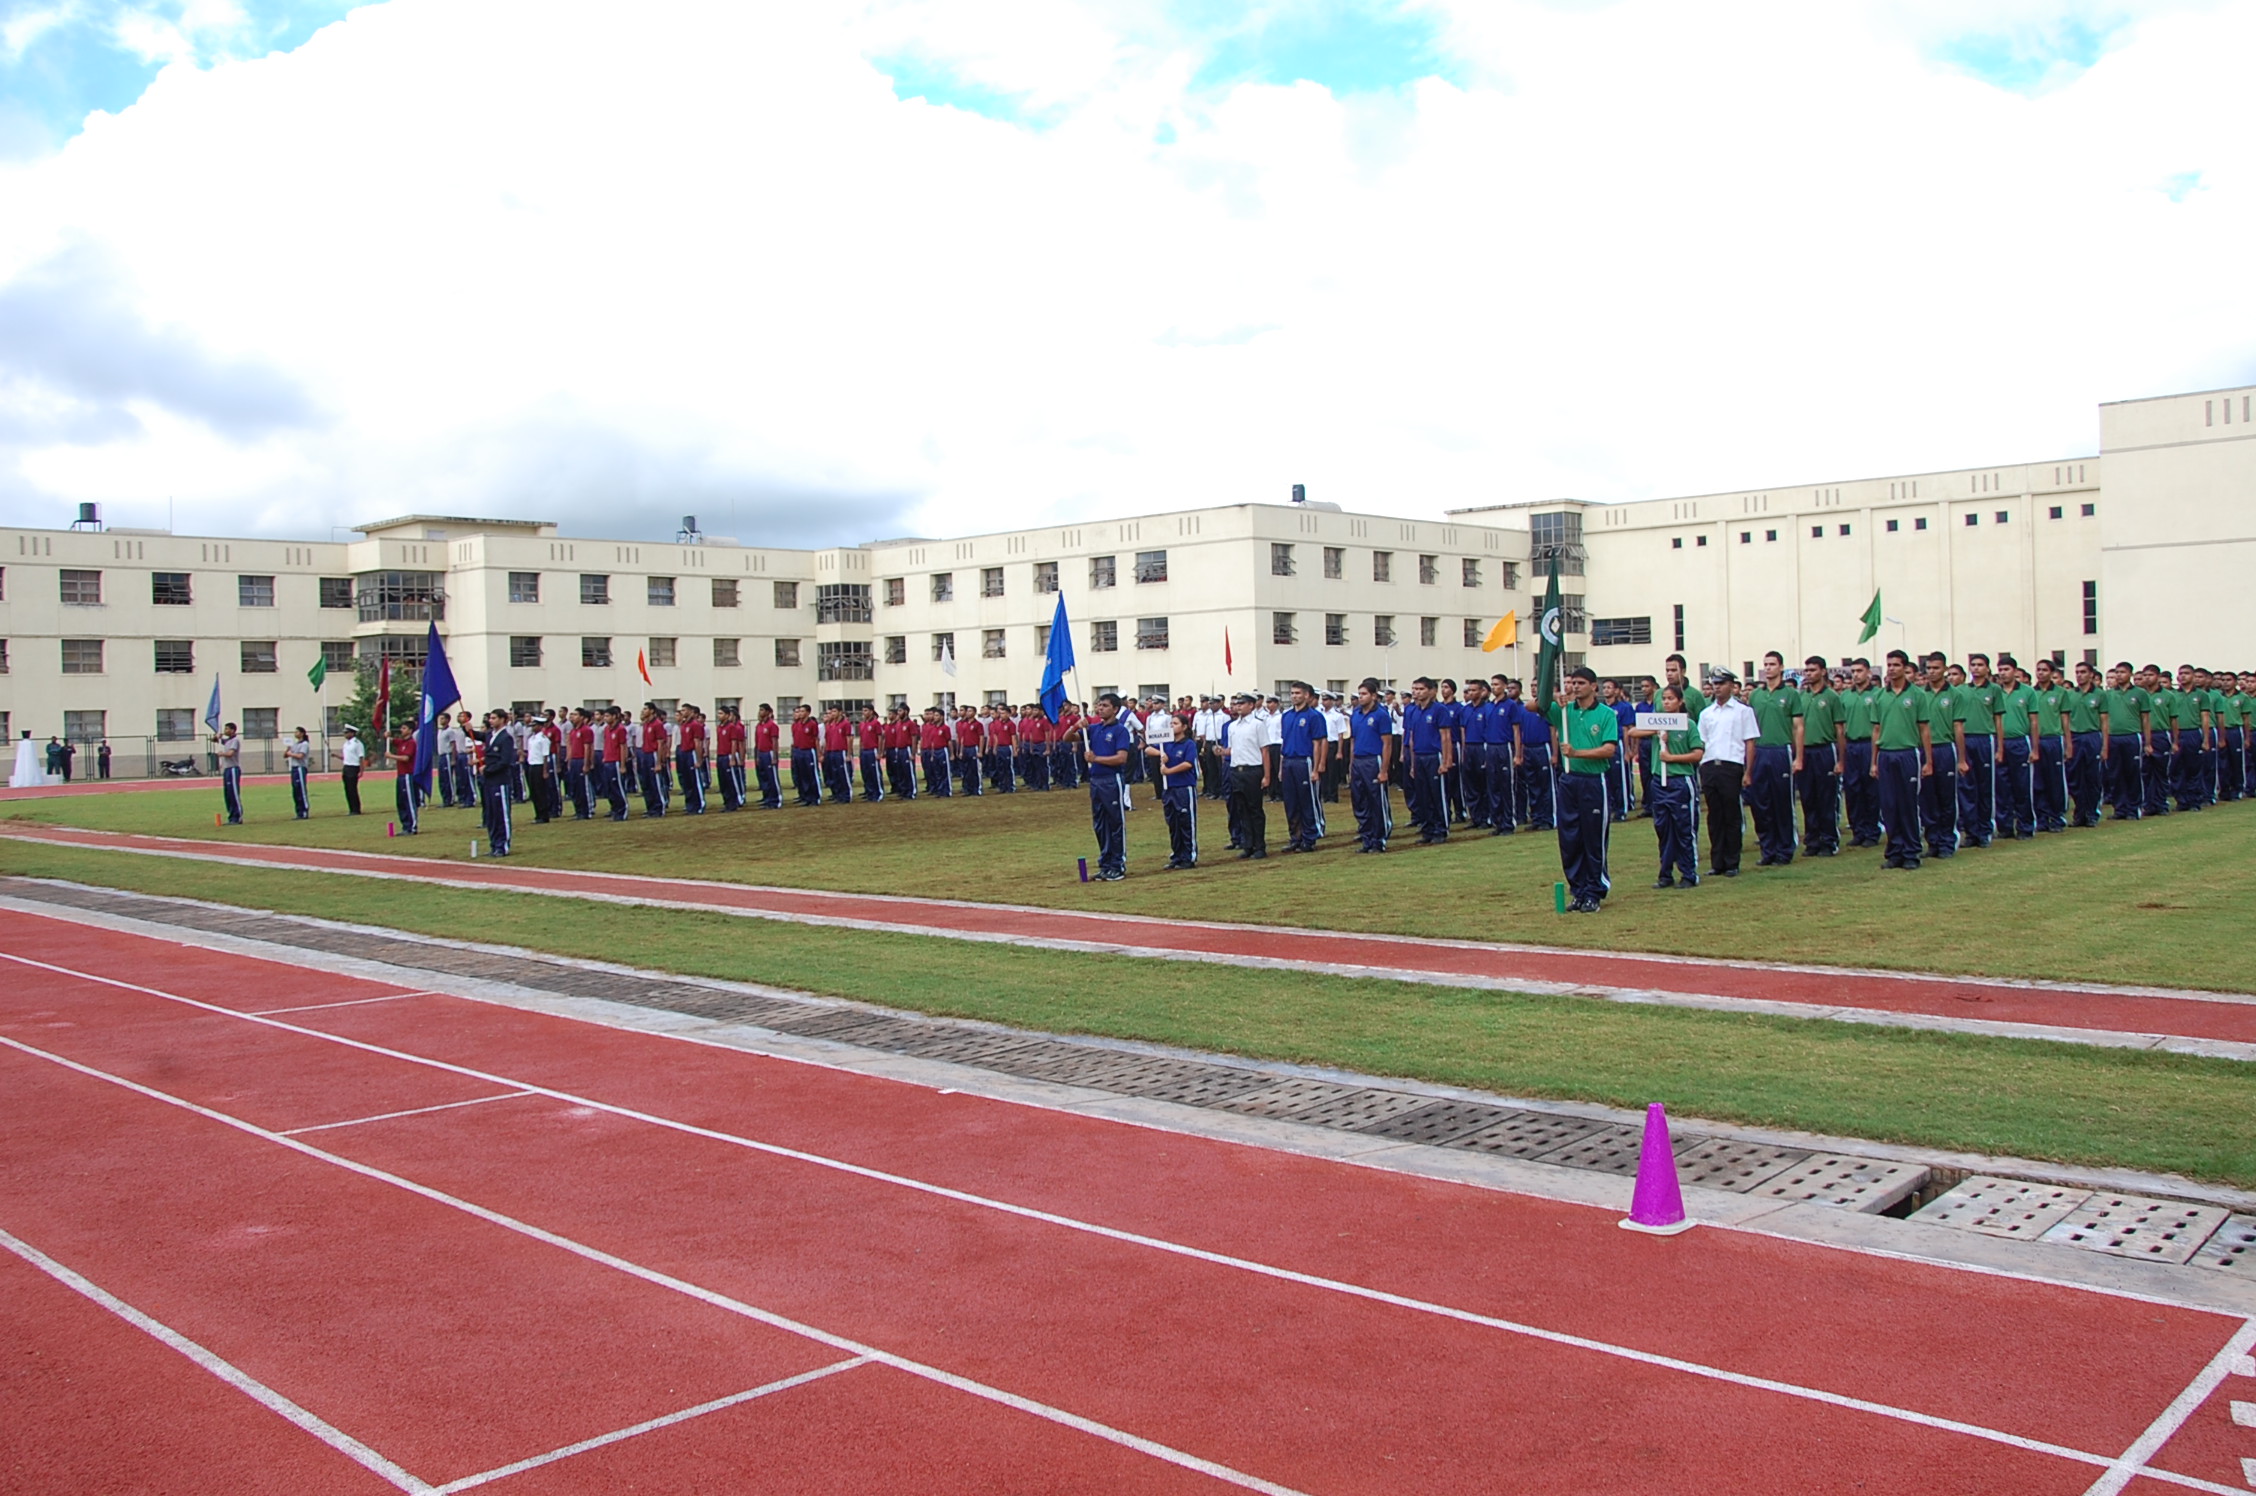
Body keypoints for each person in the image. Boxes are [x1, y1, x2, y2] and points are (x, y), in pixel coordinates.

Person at [1551, 666, 1619, 913]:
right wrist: (1553, 697)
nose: (1576, 687)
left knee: (1593, 838)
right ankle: (1578, 890)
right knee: (1570, 838)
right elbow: (1533, 707)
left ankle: (1594, 891)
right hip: (1569, 780)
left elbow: (1609, 749)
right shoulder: (1565, 711)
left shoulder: (1606, 714)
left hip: (1593, 781)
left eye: (1581, 683)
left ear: (1593, 687)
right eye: (1573, 683)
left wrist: (1577, 753)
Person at [1632, 683, 1702, 887]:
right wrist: (1656, 730)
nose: (1667, 702)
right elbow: (1632, 732)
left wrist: (1672, 758)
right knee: (1663, 829)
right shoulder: (1657, 722)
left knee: (1684, 829)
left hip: (1680, 781)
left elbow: (1697, 753)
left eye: (1671, 699)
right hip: (1659, 782)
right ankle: (1665, 874)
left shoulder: (1688, 724)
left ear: (1680, 701)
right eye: (1664, 699)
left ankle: (1689, 873)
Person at [1871, 650, 1933, 870]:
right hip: (1886, 754)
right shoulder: (1880, 696)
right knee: (1889, 805)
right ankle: (1894, 852)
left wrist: (1928, 761)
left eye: (1896, 665)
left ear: (1905, 668)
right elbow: (1876, 730)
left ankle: (1911, 851)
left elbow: (1924, 729)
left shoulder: (1917, 695)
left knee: (1908, 804)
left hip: (1908, 753)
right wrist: (1874, 761)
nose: (1891, 669)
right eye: (1889, 665)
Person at [1694, 672, 1757, 877]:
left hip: (1731, 765)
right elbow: (1703, 741)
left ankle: (1732, 862)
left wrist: (1748, 771)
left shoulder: (1743, 711)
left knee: (1731, 815)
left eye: (1721, 683)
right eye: (1715, 683)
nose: (1717, 687)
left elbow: (1749, 742)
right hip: (1710, 765)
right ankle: (1717, 862)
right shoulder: (1706, 713)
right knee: (1714, 816)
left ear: (1731, 685)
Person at [1745, 651, 1801, 867]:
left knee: (1782, 802)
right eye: (1765, 664)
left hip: (1780, 751)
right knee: (1761, 802)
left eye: (1772, 664)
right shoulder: (1756, 695)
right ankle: (1768, 850)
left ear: (1781, 667)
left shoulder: (1790, 694)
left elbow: (1798, 727)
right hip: (1760, 751)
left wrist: (1798, 757)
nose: (1768, 668)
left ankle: (1785, 849)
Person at [1795, 656, 1843, 856]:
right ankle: (1812, 841)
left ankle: (1829, 840)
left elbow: (1839, 729)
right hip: (1805, 751)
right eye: (1806, 670)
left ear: (1823, 672)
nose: (1809, 674)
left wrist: (1840, 760)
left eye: (1813, 670)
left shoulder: (1832, 697)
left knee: (1826, 798)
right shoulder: (1801, 697)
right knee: (1808, 798)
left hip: (1824, 750)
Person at [1275, 682, 1329, 854]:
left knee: (1307, 801)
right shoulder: (1286, 716)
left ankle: (1309, 837)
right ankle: (1295, 837)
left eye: (1298, 693)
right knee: (1291, 803)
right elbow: (1284, 742)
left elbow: (1317, 743)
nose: (1294, 696)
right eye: (1292, 693)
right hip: (1288, 761)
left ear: (1306, 695)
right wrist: (1281, 767)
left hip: (1304, 761)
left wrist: (1316, 769)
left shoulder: (1314, 716)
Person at [1083, 693, 1133, 880]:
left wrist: (1096, 759)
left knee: (1115, 823)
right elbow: (1067, 737)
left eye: (1104, 705)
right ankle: (1105, 863)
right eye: (1098, 705)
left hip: (1111, 780)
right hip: (1096, 781)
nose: (1100, 708)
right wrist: (1076, 727)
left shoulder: (1120, 730)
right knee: (1100, 824)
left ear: (1115, 709)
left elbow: (1121, 758)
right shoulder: (1094, 728)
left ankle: (1117, 865)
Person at [1957, 654, 2004, 846]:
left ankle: (1985, 831)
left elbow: (1998, 720)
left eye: (1980, 665)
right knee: (1966, 788)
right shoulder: (1960, 691)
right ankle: (1971, 832)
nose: (1976, 668)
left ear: (1987, 668)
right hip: (1965, 740)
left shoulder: (1994, 690)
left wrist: (2000, 748)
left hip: (1985, 739)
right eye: (1973, 665)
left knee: (1985, 787)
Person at [1345, 677, 1395, 853]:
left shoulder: (1381, 715)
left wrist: (1384, 770)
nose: (1361, 697)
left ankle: (1379, 839)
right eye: (1359, 694)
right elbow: (1353, 741)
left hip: (1373, 760)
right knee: (1360, 801)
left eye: (1364, 694)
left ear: (1374, 696)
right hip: (1358, 761)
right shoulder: (1356, 714)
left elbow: (1387, 744)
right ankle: (1366, 838)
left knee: (1376, 801)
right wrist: (1351, 764)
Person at [1920, 653, 1963, 857]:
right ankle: (1933, 842)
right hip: (1924, 750)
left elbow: (1958, 727)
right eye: (1929, 668)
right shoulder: (1920, 694)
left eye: (1936, 668)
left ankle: (1947, 841)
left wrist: (1961, 759)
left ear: (1944, 669)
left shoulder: (1955, 695)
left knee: (1946, 797)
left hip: (1945, 748)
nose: (1932, 672)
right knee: (1927, 799)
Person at [1400, 677, 1451, 845]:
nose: (1416, 692)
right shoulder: (1413, 711)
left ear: (1431, 691)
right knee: (1422, 796)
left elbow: (1445, 737)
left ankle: (1441, 829)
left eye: (1421, 689)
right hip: (1419, 756)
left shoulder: (1439, 710)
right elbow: (1412, 738)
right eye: (1415, 689)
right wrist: (1413, 763)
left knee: (1437, 795)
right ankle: (1427, 829)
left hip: (1434, 756)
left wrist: (1446, 761)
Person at [1223, 692, 1274, 859]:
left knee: (1255, 809)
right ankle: (1248, 844)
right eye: (1236, 704)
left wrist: (1266, 775)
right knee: (1241, 809)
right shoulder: (1232, 726)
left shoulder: (1258, 725)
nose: (1238, 707)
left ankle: (1259, 846)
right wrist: (1222, 751)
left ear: (1251, 705)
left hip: (1252, 770)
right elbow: (1233, 749)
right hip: (1236, 770)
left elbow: (1264, 751)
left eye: (1242, 704)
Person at [1838, 658, 1881, 847]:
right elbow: (1841, 725)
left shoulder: (1878, 694)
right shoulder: (1845, 696)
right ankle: (1858, 830)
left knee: (1871, 790)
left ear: (1868, 673)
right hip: (1851, 745)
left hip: (1869, 744)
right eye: (1853, 671)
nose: (1856, 675)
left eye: (1859, 671)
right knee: (1852, 789)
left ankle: (1872, 831)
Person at [1995, 657, 2037, 839]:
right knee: (2001, 787)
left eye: (2006, 669)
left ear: (2014, 670)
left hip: (2019, 742)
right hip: (1999, 743)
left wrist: (2034, 748)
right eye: (2000, 670)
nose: (2003, 673)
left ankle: (2025, 826)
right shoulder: (1994, 692)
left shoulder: (2027, 692)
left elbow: (2034, 721)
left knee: (2022, 786)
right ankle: (2005, 827)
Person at [1152, 713, 1200, 868]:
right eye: (1171, 723)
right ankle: (1177, 854)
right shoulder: (1167, 743)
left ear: (1184, 727)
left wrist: (1169, 771)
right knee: (1173, 823)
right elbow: (1148, 749)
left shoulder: (1189, 744)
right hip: (1169, 788)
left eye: (1175, 723)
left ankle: (1188, 856)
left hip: (1184, 787)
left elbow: (1188, 764)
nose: (1172, 726)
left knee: (1186, 822)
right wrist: (1161, 754)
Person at [478, 709, 517, 855]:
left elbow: (504, 761)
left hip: (500, 780)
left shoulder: (506, 738)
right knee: (491, 815)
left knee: (501, 814)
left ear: (502, 719)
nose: (491, 721)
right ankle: (494, 844)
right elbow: (477, 735)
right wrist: (465, 727)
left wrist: (487, 769)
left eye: (494, 718)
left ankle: (503, 845)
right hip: (489, 781)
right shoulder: (490, 735)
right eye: (490, 718)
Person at [674, 704, 707, 815]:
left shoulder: (695, 725)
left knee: (695, 781)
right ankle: (690, 805)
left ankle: (699, 804)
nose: (682, 712)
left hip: (691, 753)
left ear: (690, 711)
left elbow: (698, 743)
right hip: (684, 753)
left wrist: (698, 759)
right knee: (687, 781)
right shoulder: (684, 725)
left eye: (684, 710)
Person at [524, 710, 556, 823]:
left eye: (534, 725)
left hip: (540, 766)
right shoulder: (531, 739)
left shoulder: (543, 739)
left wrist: (545, 771)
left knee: (541, 791)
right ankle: (538, 814)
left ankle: (544, 815)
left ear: (540, 726)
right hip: (532, 765)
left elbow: (545, 755)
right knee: (534, 792)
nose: (532, 727)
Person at [565, 708, 597, 818]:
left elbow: (588, 748)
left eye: (575, 715)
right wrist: (569, 761)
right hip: (574, 760)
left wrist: (586, 763)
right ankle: (578, 810)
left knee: (584, 786)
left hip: (581, 759)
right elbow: (570, 747)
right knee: (575, 787)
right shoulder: (573, 731)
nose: (572, 717)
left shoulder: (586, 730)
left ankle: (587, 810)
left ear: (582, 717)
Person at [389, 722, 421, 835]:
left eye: (404, 728)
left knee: (409, 801)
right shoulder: (402, 742)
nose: (401, 730)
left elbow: (406, 758)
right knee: (401, 801)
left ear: (410, 730)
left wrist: (391, 756)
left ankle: (412, 826)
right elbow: (391, 740)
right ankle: (405, 826)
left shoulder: (411, 743)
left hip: (408, 774)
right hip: (401, 775)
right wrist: (387, 736)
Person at [788, 703, 821, 807]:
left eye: (803, 711)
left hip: (808, 751)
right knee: (802, 775)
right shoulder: (796, 725)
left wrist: (818, 753)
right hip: (798, 751)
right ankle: (806, 797)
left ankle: (815, 797)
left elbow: (816, 739)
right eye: (799, 711)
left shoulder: (812, 724)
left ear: (808, 712)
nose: (800, 713)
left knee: (811, 775)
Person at [821, 706, 854, 804]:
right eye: (831, 712)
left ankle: (846, 796)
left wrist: (848, 754)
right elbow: (827, 740)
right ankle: (838, 795)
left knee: (843, 775)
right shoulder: (830, 725)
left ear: (840, 712)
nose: (832, 714)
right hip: (831, 752)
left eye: (834, 711)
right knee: (835, 775)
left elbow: (849, 739)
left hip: (841, 752)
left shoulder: (845, 724)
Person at [212, 722, 244, 824]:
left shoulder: (235, 741)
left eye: (227, 729)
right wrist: (217, 736)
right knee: (228, 794)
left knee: (234, 793)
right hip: (226, 769)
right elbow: (215, 740)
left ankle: (237, 816)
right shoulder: (227, 741)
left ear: (232, 730)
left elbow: (230, 753)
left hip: (233, 769)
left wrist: (222, 754)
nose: (225, 731)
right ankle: (231, 816)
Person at [918, 707, 954, 797]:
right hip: (934, 751)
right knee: (937, 772)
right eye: (934, 715)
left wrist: (952, 754)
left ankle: (947, 790)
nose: (934, 717)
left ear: (941, 717)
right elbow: (932, 742)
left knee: (944, 771)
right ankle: (939, 789)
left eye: (936, 715)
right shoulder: (933, 728)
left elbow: (949, 741)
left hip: (942, 750)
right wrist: (932, 753)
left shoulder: (945, 728)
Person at [857, 707, 888, 803]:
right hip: (864, 751)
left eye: (866, 710)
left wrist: (879, 752)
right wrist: (860, 750)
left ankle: (878, 793)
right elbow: (861, 738)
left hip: (872, 750)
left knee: (874, 773)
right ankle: (870, 793)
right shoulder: (862, 724)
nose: (864, 712)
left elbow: (880, 738)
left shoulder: (876, 723)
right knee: (866, 773)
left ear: (871, 712)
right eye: (863, 710)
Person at [334, 725, 365, 814]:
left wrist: (361, 771)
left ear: (352, 733)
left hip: (354, 767)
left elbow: (361, 758)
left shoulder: (357, 743)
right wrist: (336, 756)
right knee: (347, 789)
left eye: (347, 733)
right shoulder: (346, 744)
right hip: (346, 767)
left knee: (352, 789)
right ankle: (351, 808)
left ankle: (356, 809)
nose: (345, 734)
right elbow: (346, 757)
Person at [284, 726, 314, 819]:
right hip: (294, 768)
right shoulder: (295, 744)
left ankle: (304, 811)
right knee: (296, 791)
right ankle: (298, 812)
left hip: (300, 768)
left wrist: (290, 754)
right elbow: (285, 755)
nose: (295, 734)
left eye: (297, 732)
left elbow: (300, 756)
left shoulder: (304, 744)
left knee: (301, 790)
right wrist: (287, 749)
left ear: (302, 733)